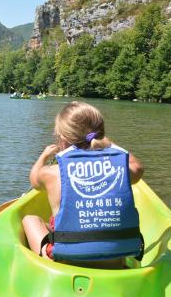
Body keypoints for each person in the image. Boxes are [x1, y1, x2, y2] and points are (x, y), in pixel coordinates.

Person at [22, 101, 144, 268]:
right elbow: (138, 167)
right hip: (114, 261)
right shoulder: (121, 168)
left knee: (30, 220)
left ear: (62, 139)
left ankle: (47, 256)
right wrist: (108, 144)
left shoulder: (52, 173)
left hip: (66, 262)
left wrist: (44, 156)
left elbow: (34, 179)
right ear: (100, 134)